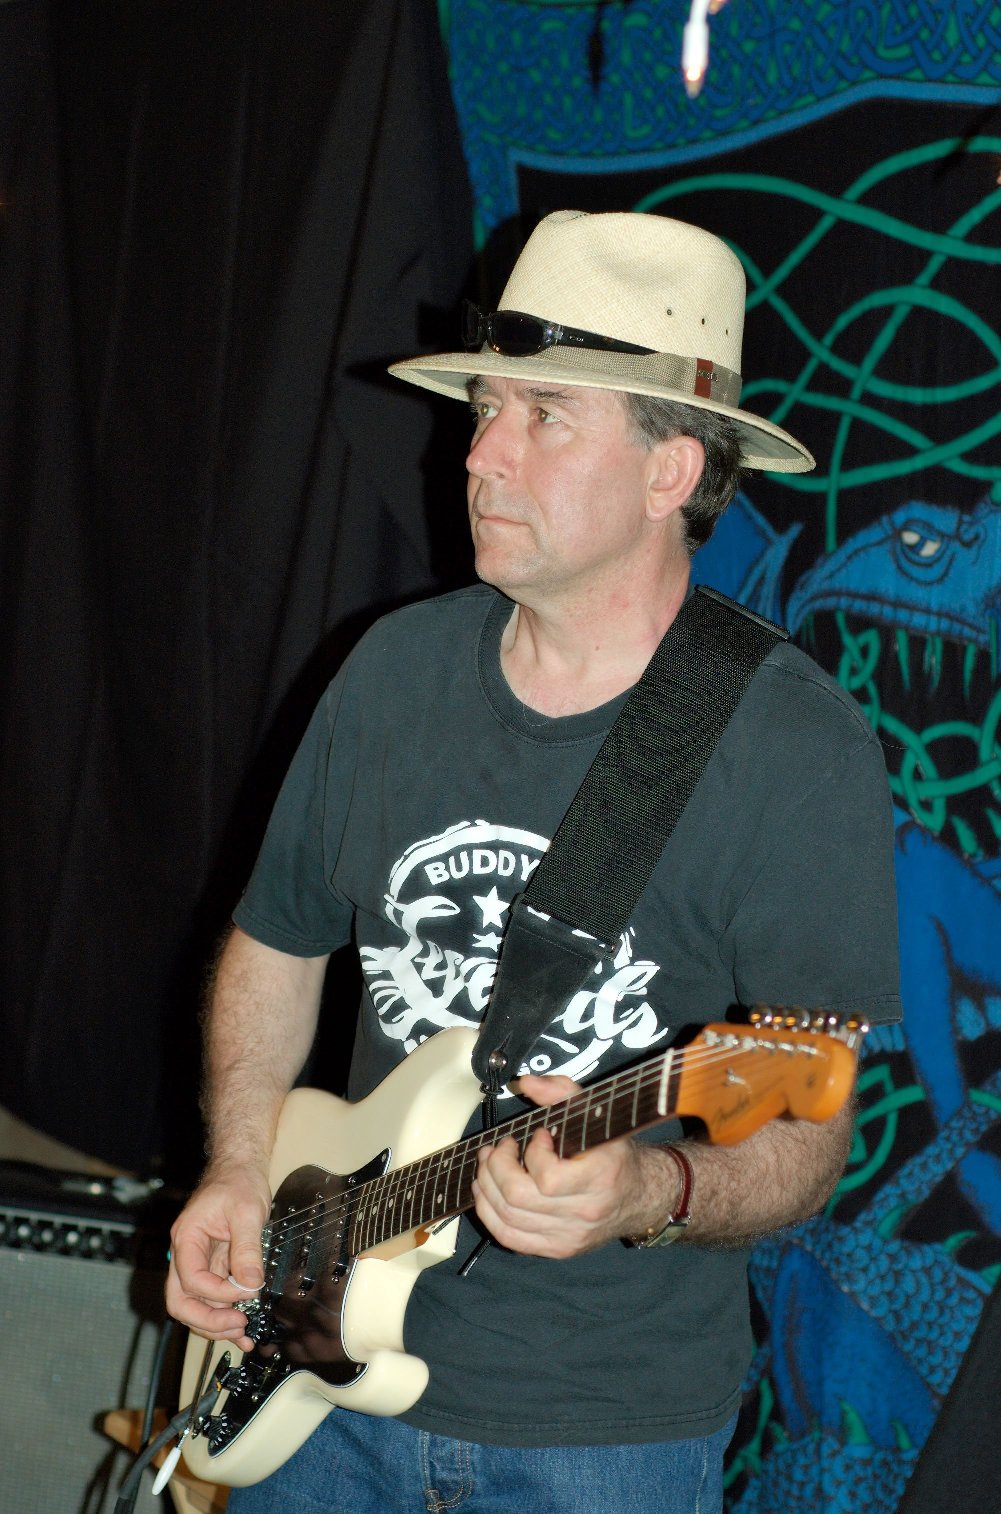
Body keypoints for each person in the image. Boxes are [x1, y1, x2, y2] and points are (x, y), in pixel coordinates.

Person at [166, 210, 901, 1513]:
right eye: (485, 409)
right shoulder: (390, 671)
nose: (479, 454)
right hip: (314, 1391)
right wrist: (234, 1166)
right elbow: (277, 942)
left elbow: (809, 1124)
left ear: (671, 471)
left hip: (597, 1436)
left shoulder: (793, 749)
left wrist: (651, 1184)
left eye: (544, 416)